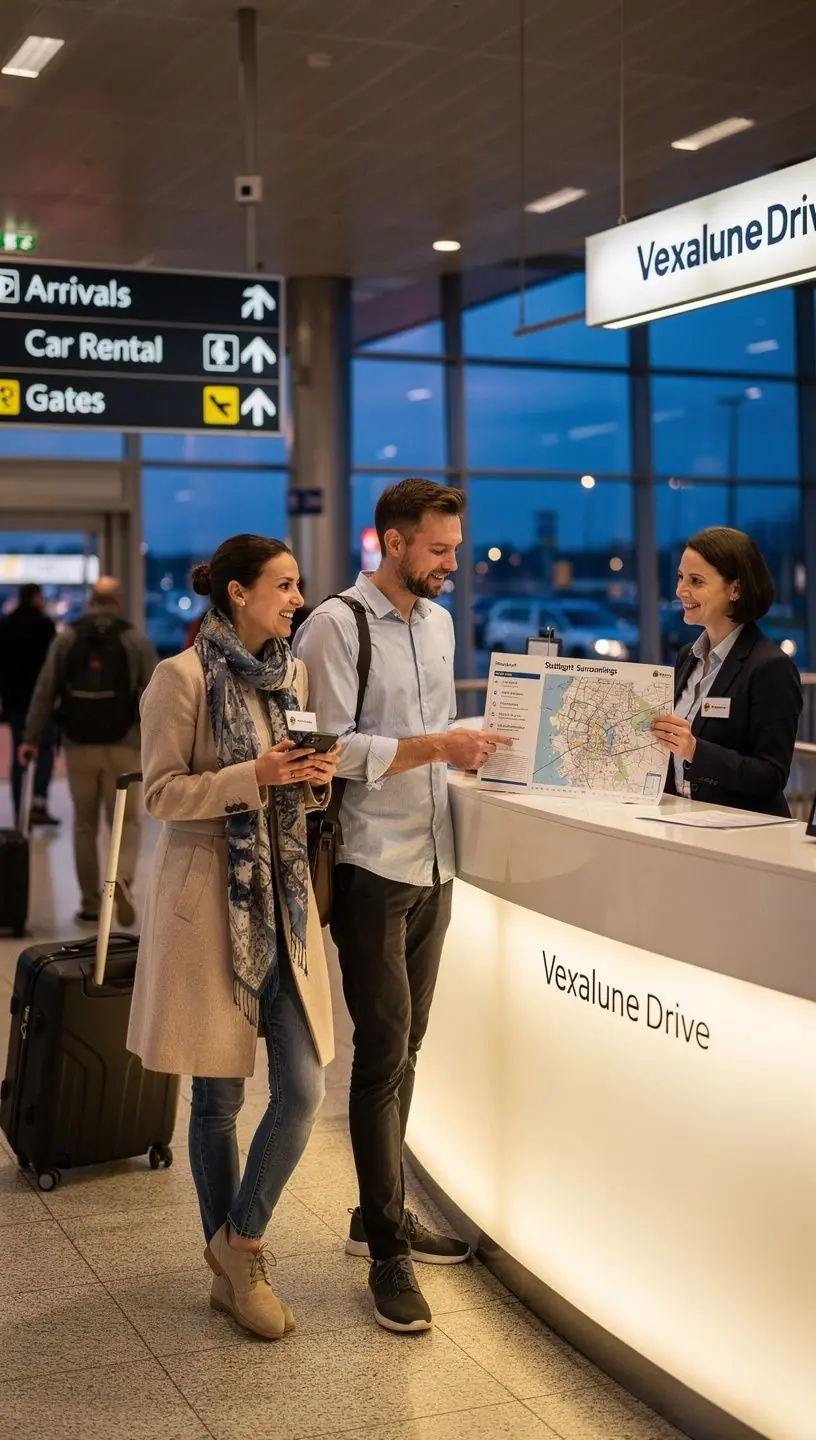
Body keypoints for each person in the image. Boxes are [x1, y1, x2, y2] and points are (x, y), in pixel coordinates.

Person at [294, 478, 511, 1334]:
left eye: (455, 548)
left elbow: (431, 739)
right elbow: (326, 747)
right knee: (382, 1050)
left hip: (433, 864)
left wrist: (466, 756)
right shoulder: (335, 625)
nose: (454, 564)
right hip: (369, 867)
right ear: (392, 541)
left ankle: (373, 1215)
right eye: (439, 549)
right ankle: (385, 1247)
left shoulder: (440, 622)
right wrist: (436, 745)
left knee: (408, 1044)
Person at [127, 534, 341, 1342]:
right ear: (238, 593)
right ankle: (235, 1275)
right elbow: (161, 794)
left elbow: (296, 789)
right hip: (212, 906)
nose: (295, 598)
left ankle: (238, 1241)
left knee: (304, 1087)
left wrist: (311, 786)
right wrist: (253, 778)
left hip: (282, 907)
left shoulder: (294, 674)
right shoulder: (177, 679)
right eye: (283, 586)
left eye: (297, 586)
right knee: (215, 1095)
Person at [20, 577, 158, 924]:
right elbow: (157, 696)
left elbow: (45, 689)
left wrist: (30, 738)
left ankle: (89, 905)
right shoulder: (134, 639)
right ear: (119, 603)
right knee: (125, 822)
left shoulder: (68, 637)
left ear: (90, 601)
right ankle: (122, 880)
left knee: (84, 825)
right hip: (124, 745)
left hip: (78, 745)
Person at [654, 526, 803, 816]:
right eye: (680, 577)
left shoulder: (771, 667)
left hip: (744, 839)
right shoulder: (688, 656)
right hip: (683, 825)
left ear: (735, 588)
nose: (680, 590)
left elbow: (770, 775)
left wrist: (695, 751)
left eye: (696, 581)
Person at [0, 583, 59, 827]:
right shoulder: (45, 626)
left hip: (14, 702)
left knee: (20, 752)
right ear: (36, 598)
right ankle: (38, 803)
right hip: (42, 702)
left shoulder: (6, 626)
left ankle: (17, 807)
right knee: (44, 752)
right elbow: (53, 668)